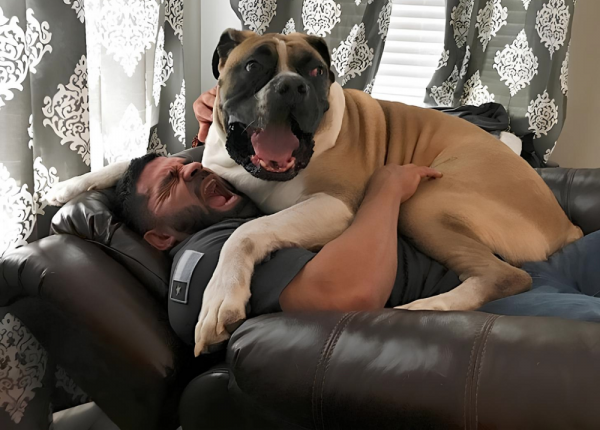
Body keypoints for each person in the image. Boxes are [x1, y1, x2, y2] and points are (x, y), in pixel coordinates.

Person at [112, 91, 600, 349]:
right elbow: (347, 293)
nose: (192, 169)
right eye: (170, 182)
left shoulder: (251, 196)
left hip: (546, 247)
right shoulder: (207, 258)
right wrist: (387, 189)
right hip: (499, 290)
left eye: (187, 164)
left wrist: (217, 124)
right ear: (159, 236)